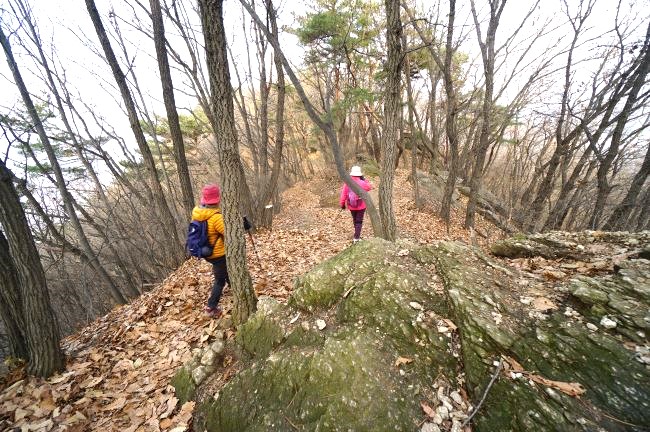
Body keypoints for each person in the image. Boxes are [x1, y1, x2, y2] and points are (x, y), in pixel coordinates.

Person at [191, 184, 227, 318]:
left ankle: (234, 285)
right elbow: (229, 233)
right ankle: (211, 307)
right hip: (218, 254)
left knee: (224, 271)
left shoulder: (198, 213)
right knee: (219, 280)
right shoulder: (216, 217)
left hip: (207, 252)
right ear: (218, 199)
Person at [339, 165, 373, 243]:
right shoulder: (362, 182)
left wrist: (342, 204)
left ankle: (356, 235)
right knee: (359, 221)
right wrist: (364, 180)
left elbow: (343, 194)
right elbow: (369, 187)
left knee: (355, 220)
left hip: (351, 205)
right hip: (361, 205)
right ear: (359, 174)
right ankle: (356, 238)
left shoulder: (347, 183)